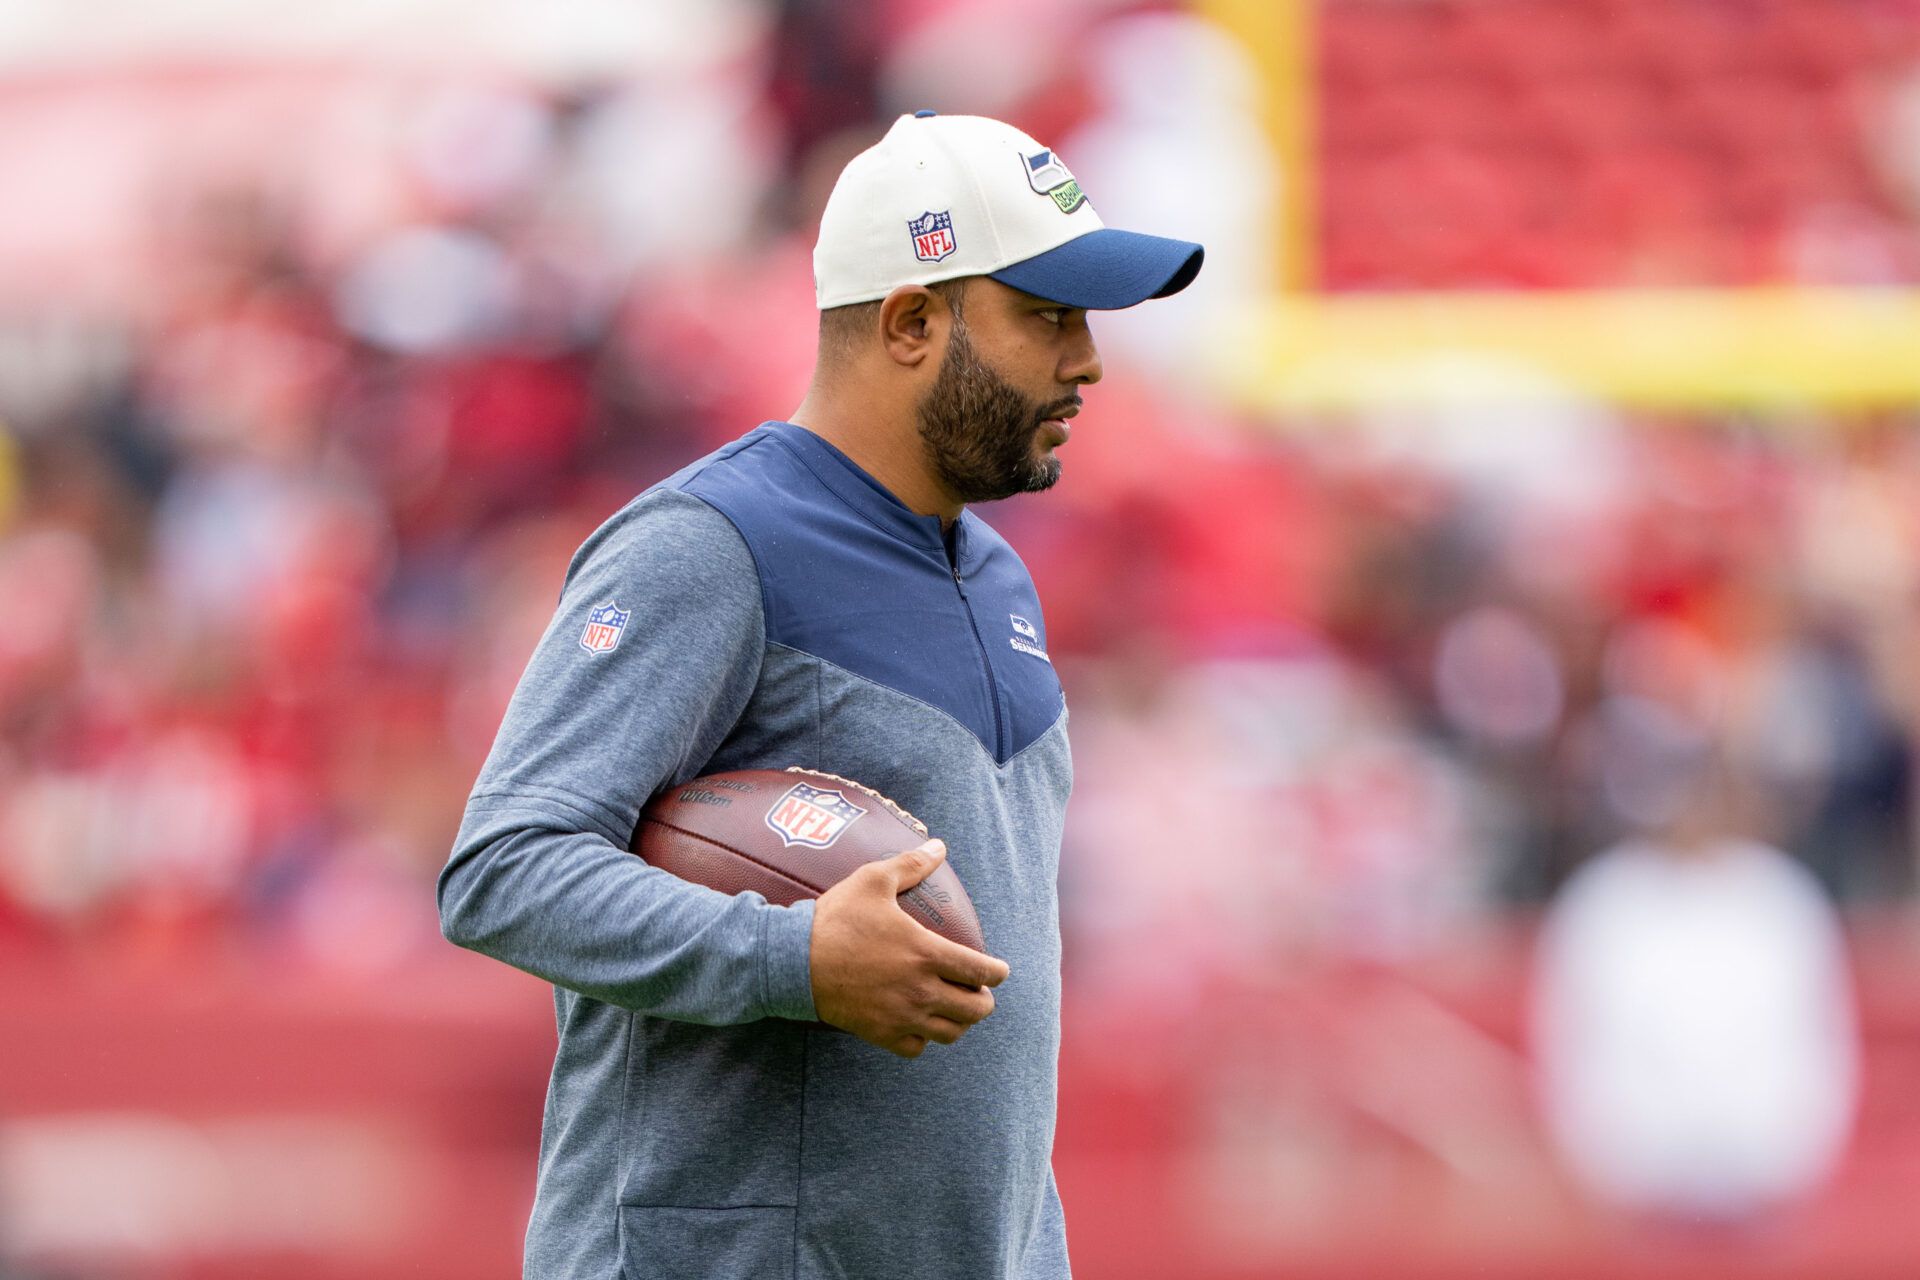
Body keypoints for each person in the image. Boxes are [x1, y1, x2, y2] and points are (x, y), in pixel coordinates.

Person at [438, 111, 1202, 1279]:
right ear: (909, 320)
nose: (1088, 359)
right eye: (1046, 316)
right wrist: (792, 956)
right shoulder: (710, 545)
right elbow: (504, 865)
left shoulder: (998, 573)